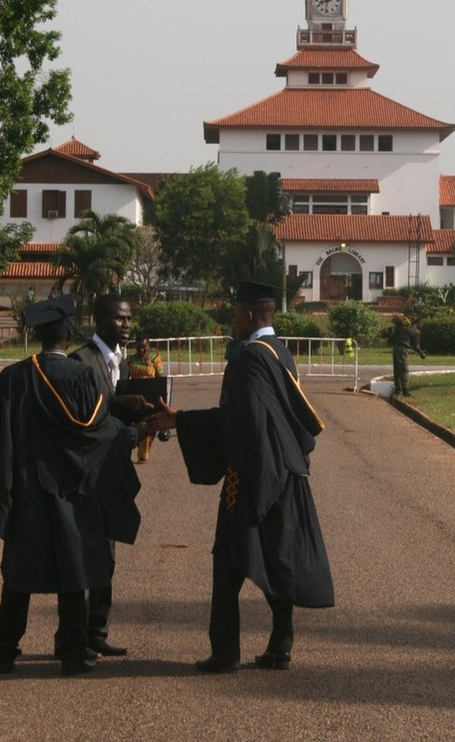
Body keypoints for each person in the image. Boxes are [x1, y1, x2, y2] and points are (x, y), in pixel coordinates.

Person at [148, 279, 334, 673]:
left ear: (249, 316)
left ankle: (225, 652)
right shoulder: (281, 352)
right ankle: (280, 646)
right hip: (285, 472)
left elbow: (241, 421)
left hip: (251, 477)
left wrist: (180, 419)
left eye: (235, 316)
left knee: (228, 564)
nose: (232, 323)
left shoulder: (252, 358)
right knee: (276, 559)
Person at [0, 295, 141, 677]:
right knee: (74, 572)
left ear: (37, 335)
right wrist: (128, 435)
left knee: (18, 576)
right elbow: (98, 430)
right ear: (68, 335)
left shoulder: (13, 378)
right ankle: (72, 653)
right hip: (72, 490)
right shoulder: (80, 377)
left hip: (28, 491)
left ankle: (5, 652)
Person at [70, 293, 149, 657]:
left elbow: (112, 409)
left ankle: (97, 630)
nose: (127, 324)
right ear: (100, 320)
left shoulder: (122, 362)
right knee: (83, 555)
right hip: (87, 474)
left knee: (108, 554)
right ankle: (72, 637)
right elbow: (85, 417)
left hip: (114, 471)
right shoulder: (81, 362)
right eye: (120, 319)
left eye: (130, 318)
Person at [128, 336, 164, 461]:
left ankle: (144, 451)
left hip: (151, 397)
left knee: (150, 423)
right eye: (138, 347)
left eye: (144, 347)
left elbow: (160, 379)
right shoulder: (130, 359)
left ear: (149, 345)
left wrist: (162, 399)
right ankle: (138, 442)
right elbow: (125, 379)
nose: (142, 350)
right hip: (135, 397)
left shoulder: (155, 359)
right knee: (136, 423)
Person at [390, 306, 425, 397]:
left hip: (396, 347)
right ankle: (406, 390)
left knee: (397, 369)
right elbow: (416, 346)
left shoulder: (407, 328)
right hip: (402, 350)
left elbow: (409, 344)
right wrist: (422, 354)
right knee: (404, 369)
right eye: (422, 325)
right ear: (419, 324)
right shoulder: (416, 332)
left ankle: (398, 390)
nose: (422, 326)